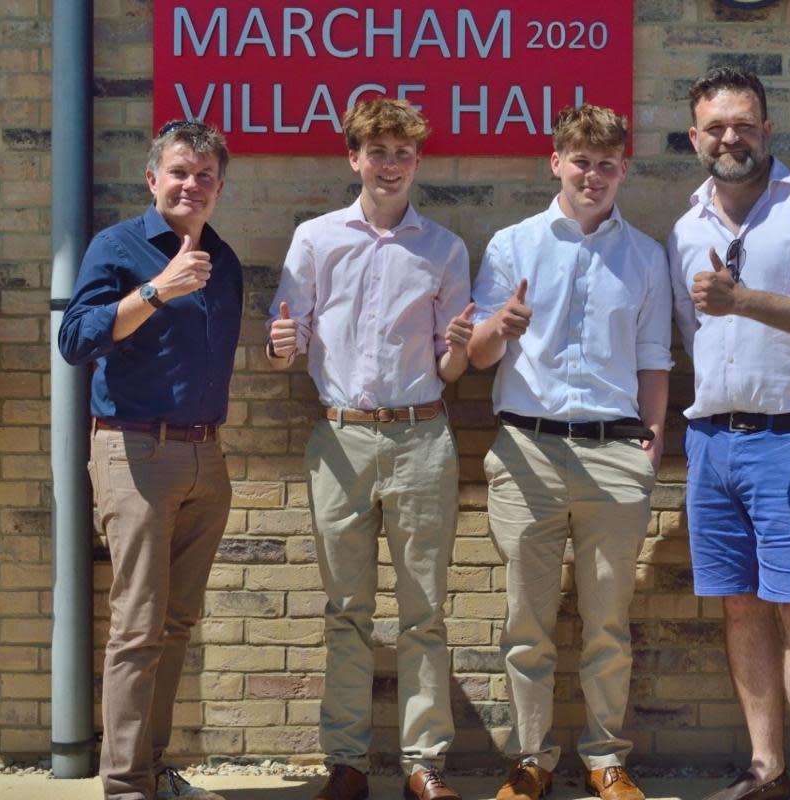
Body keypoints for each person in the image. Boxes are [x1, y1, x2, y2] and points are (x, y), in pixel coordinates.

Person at [265, 98, 473, 800]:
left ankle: (424, 764)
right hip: (342, 436)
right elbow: (284, 340)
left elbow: (452, 367)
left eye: (403, 152)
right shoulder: (316, 240)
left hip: (422, 436)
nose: (390, 164)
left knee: (425, 611)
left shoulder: (443, 248)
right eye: (377, 151)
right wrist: (281, 346)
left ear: (419, 161)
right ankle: (347, 761)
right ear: (353, 157)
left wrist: (461, 353)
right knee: (346, 610)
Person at [467, 104, 671, 800]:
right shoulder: (512, 245)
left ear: (623, 171)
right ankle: (532, 759)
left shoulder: (644, 255)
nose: (593, 174)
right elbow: (475, 354)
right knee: (527, 621)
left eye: (607, 163)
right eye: (581, 160)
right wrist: (502, 325)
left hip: (616, 454)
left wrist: (651, 445)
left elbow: (653, 360)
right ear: (556, 162)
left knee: (608, 622)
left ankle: (606, 757)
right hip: (528, 450)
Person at [669, 66, 790, 800]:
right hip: (712, 444)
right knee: (740, 606)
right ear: (695, 137)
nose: (731, 137)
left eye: (744, 123)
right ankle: (766, 768)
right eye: (716, 126)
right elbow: (690, 336)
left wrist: (741, 299)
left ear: (768, 128)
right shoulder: (686, 226)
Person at [58, 120, 240, 800]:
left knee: (177, 622)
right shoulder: (120, 246)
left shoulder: (221, 257)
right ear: (153, 178)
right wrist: (157, 288)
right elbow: (76, 339)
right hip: (135, 449)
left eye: (205, 176)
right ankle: (126, 788)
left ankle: (151, 767)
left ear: (219, 187)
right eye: (180, 172)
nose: (192, 184)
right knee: (138, 627)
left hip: (204, 457)